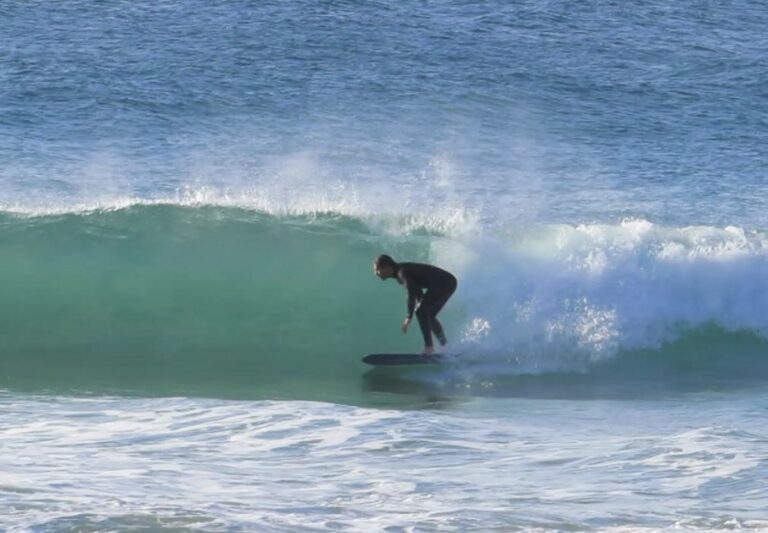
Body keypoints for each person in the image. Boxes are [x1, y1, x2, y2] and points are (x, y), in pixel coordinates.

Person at [373, 254, 458, 354]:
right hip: (447, 282)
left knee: (421, 312)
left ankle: (429, 348)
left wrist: (409, 316)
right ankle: (445, 347)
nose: (375, 273)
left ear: (387, 267)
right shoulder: (400, 273)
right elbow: (417, 291)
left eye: (377, 270)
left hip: (445, 282)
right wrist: (420, 307)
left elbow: (410, 291)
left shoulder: (402, 272)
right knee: (427, 314)